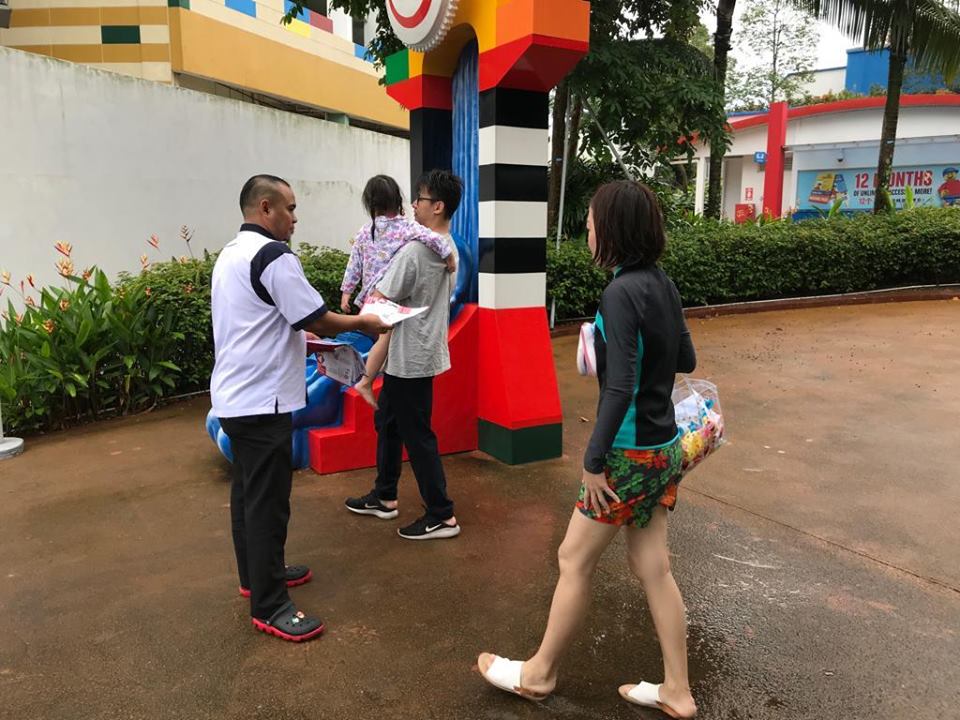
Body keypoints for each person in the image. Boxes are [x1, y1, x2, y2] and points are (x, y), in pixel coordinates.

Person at [477, 180, 699, 718]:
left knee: (572, 559)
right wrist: (616, 343)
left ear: (614, 230)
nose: (589, 232)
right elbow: (685, 359)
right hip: (664, 448)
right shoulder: (662, 284)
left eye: (594, 223)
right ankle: (677, 690)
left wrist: (593, 461)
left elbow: (619, 387)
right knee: (653, 566)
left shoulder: (620, 294)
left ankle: (539, 674)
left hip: (625, 455)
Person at [211, 174, 387, 642]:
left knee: (248, 495)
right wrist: (365, 323)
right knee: (268, 504)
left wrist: (303, 338)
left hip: (235, 397)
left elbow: (260, 321)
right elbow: (317, 317)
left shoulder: (231, 254)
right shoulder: (273, 256)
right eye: (289, 208)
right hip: (262, 401)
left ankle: (257, 578)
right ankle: (271, 606)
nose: (294, 217)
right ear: (265, 208)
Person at [344, 169, 462, 540]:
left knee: (417, 435)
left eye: (420, 199)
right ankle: (385, 495)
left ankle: (442, 515)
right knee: (390, 422)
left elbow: (380, 298)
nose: (413, 205)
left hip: (410, 355)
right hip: (413, 351)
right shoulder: (447, 247)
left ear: (437, 206)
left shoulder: (417, 251)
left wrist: (344, 319)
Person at [339, 175, 457, 409]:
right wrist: (448, 257)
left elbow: (355, 264)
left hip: (374, 302)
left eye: (419, 198)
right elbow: (434, 240)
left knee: (381, 340)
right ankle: (366, 381)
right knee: (385, 339)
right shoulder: (410, 230)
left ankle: (366, 380)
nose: (414, 204)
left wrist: (346, 292)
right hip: (391, 313)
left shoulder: (369, 232)